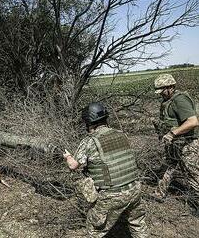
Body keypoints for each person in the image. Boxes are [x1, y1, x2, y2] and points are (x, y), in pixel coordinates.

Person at [63, 102, 148, 238]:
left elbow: (73, 166)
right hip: (135, 189)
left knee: (95, 229)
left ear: (88, 122)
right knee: (138, 224)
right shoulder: (121, 134)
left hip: (112, 194)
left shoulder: (89, 141)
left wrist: (67, 156)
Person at [152, 74, 199, 202]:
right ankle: (159, 193)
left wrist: (173, 133)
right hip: (175, 143)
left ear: (171, 87)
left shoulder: (180, 100)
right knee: (168, 166)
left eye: (162, 91)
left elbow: (193, 121)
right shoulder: (168, 101)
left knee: (193, 175)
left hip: (188, 143)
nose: (161, 94)